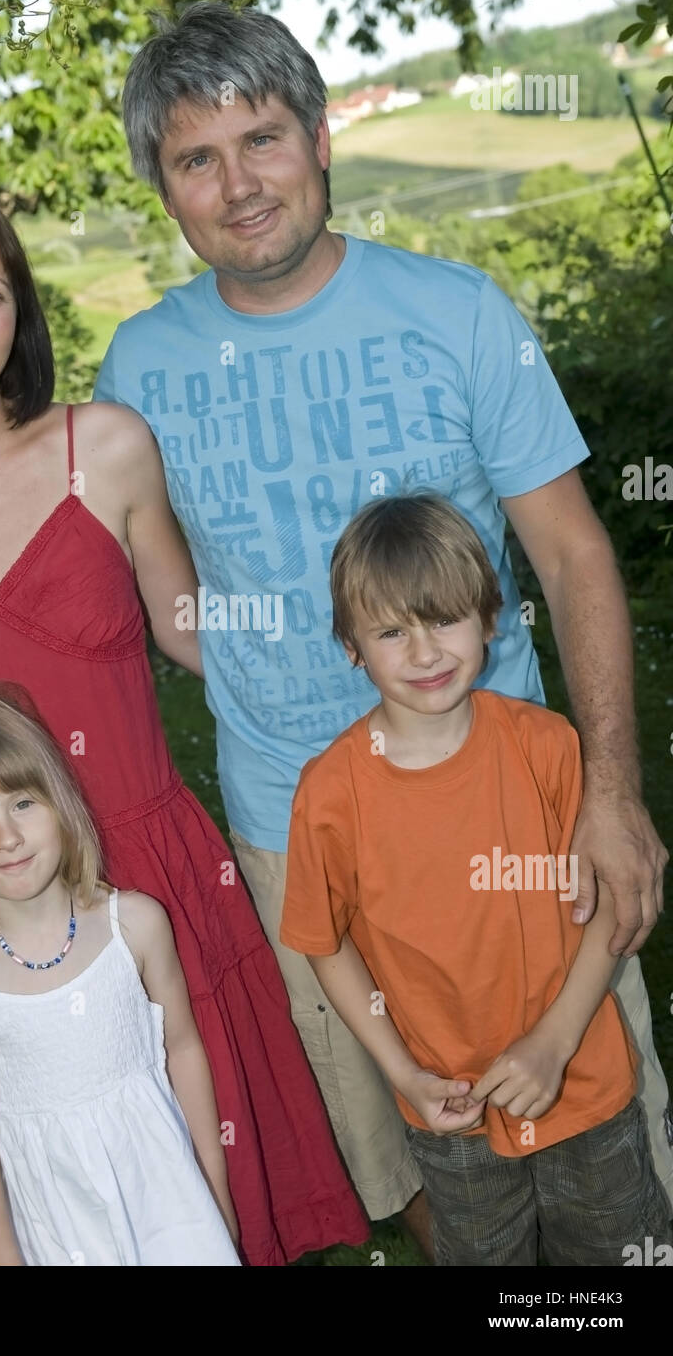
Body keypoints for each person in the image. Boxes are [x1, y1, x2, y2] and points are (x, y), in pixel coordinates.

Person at [92, 0, 672, 1241]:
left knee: (602, 1149)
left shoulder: (458, 312)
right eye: (198, 158)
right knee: (417, 1150)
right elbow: (167, 602)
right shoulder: (138, 371)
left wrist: (611, 793)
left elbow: (572, 556)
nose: (239, 184)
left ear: (318, 139)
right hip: (300, 833)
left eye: (263, 139)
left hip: (511, 815)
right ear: (164, 186)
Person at [0, 178, 368, 1265]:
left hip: (152, 878)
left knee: (208, 1197)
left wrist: (379, 633)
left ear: (22, 315)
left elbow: (195, 631)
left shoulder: (103, 447)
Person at [280, 493, 673, 1265]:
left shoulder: (550, 749)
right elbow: (324, 944)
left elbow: (607, 913)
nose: (425, 652)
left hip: (585, 1087)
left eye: (446, 619)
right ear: (352, 645)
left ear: (492, 618)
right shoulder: (330, 794)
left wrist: (555, 1045)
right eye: (393, 631)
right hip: (451, 1111)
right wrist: (404, 1074)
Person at [0, 686, 240, 1267]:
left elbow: (183, 1049)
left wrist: (214, 1194)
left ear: (59, 803)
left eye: (21, 803)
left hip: (167, 1200)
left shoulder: (135, 927)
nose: (6, 837)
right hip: (61, 1226)